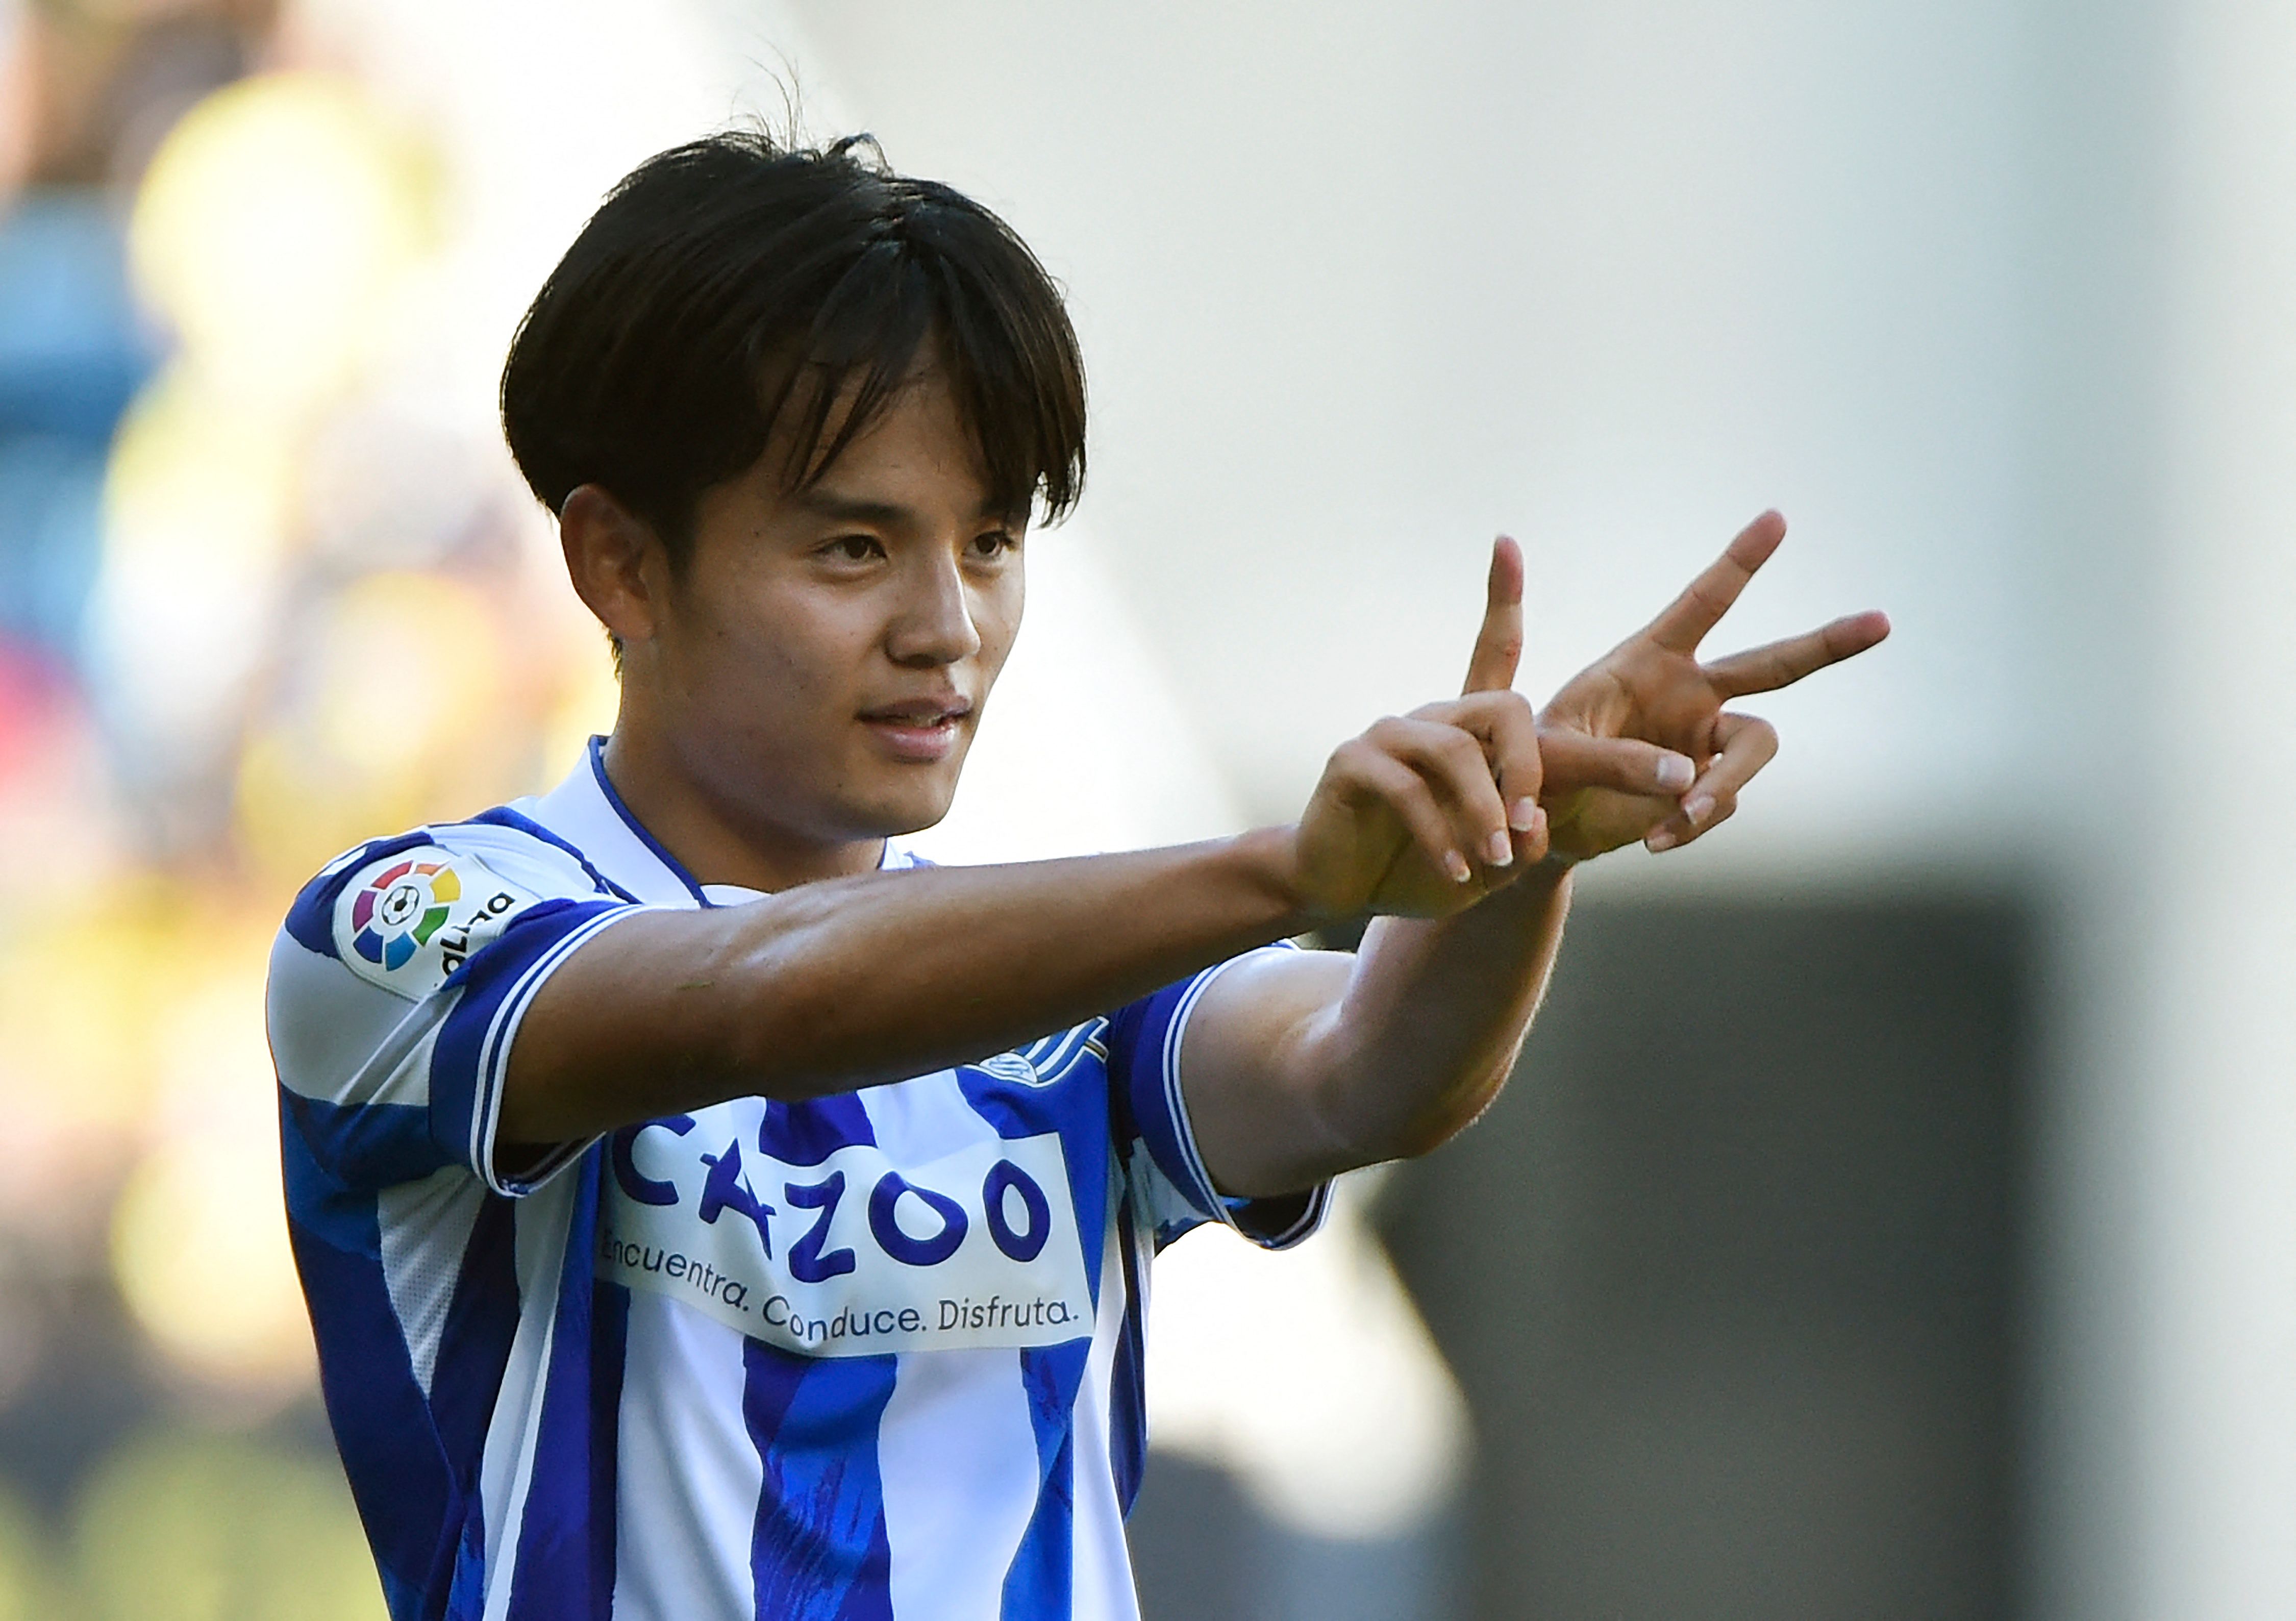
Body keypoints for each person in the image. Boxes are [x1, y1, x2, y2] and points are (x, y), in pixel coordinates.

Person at [265, 130, 1887, 1621]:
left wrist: (1520, 852)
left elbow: (1361, 1066)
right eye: (855, 547)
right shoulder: (405, 936)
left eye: (989, 540)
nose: (946, 626)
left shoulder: (1063, 980)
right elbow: (760, 993)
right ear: (619, 559)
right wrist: (1284, 869)